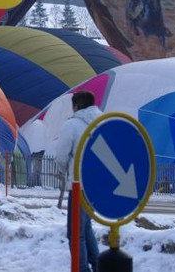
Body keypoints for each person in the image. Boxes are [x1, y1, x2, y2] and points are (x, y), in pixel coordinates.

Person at [54, 90, 102, 272]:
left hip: (78, 184)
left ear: (75, 106)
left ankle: (81, 268)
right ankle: (97, 265)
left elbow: (61, 156)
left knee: (75, 232)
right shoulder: (103, 121)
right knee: (86, 227)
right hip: (94, 186)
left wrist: (66, 171)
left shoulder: (72, 124)